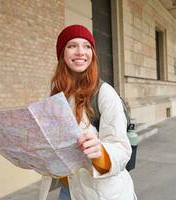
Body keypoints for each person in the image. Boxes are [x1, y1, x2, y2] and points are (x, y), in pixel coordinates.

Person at [50, 24, 137, 200]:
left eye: (87, 46)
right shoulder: (56, 95)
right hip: (69, 189)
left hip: (103, 193)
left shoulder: (104, 93)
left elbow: (121, 148)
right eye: (72, 45)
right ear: (62, 54)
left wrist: (100, 152)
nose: (81, 52)